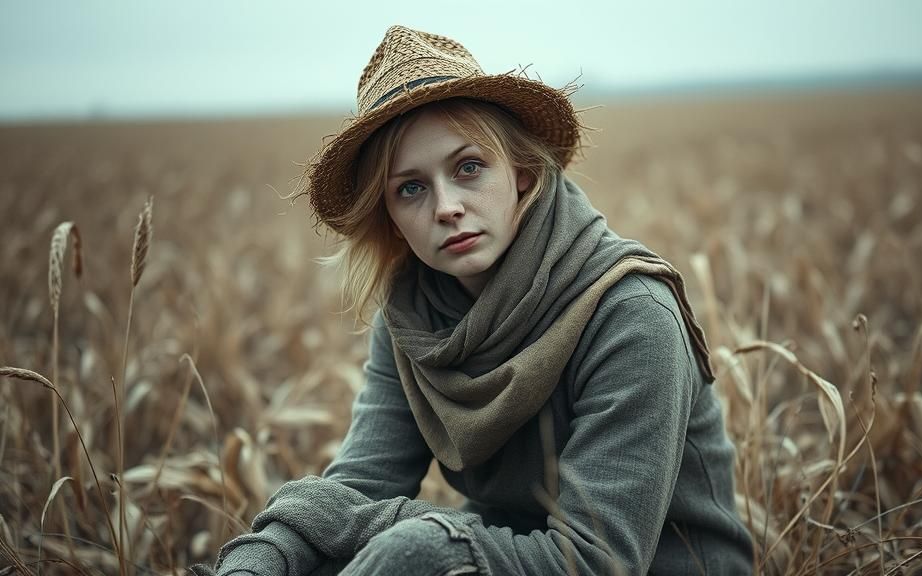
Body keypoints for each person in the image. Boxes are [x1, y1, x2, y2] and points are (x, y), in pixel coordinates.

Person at [191, 25, 754, 576]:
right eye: (411, 187)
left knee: (415, 553)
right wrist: (268, 553)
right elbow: (358, 488)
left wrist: (421, 538)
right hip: (509, 552)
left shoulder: (630, 312)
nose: (446, 207)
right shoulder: (416, 317)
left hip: (656, 564)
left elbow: (596, 560)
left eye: (468, 168)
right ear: (389, 218)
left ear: (523, 170)